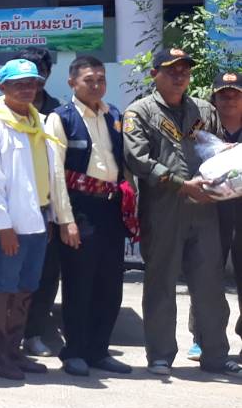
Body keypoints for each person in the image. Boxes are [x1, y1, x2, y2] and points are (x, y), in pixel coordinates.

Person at [123, 47, 242, 376]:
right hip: (164, 209)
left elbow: (217, 152)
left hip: (204, 208)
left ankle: (215, 355)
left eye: (185, 71)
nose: (180, 76)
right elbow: (138, 159)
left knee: (210, 284)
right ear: (154, 74)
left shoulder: (203, 109)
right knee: (161, 282)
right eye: (171, 70)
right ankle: (160, 356)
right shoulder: (139, 112)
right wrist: (181, 184)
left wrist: (227, 162)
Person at [0, 59, 76, 381]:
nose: (27, 89)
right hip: (10, 224)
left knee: (26, 287)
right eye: (19, 84)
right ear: (2, 87)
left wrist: (51, 217)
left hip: (37, 220)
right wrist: (3, 226)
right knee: (3, 288)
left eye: (32, 83)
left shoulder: (40, 122)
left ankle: (14, 350)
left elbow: (48, 174)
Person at [45, 56, 131, 377]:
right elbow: (55, 173)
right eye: (89, 80)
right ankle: (74, 352)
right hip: (79, 208)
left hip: (111, 208)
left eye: (101, 79)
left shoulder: (114, 116)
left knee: (111, 283)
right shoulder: (61, 118)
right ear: (72, 83)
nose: (96, 85)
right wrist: (65, 219)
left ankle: (99, 351)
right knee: (79, 282)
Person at [187, 72, 242, 360]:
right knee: (206, 274)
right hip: (211, 210)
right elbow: (185, 151)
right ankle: (201, 337)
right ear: (214, 97)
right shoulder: (202, 126)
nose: (229, 99)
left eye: (235, 94)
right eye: (223, 94)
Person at [19, 47, 64, 358]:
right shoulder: (4, 111)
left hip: (48, 205)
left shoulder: (57, 112)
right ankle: (8, 339)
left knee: (46, 275)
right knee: (11, 276)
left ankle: (34, 332)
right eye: (28, 74)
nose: (34, 81)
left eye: (40, 73)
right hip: (14, 206)